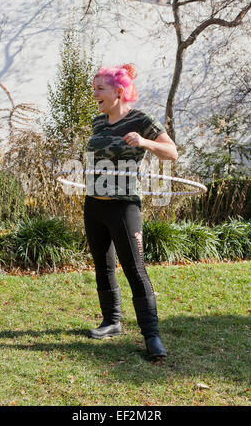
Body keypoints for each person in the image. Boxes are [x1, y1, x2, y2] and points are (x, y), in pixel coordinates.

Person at [84, 63, 178, 360]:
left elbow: (172, 153)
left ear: (119, 91)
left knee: (135, 270)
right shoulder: (99, 123)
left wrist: (145, 142)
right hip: (94, 204)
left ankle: (152, 337)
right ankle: (111, 322)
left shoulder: (141, 120)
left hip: (124, 207)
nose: (95, 93)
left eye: (100, 88)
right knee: (103, 265)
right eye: (94, 88)